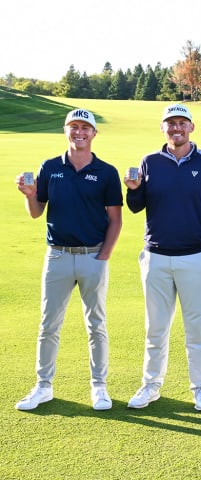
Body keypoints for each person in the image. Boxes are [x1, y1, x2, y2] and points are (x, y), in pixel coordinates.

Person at [14, 109, 123, 411]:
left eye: (85, 128)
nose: (79, 132)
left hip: (93, 256)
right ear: (66, 131)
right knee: (49, 325)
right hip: (58, 256)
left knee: (96, 325)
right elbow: (37, 211)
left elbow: (115, 220)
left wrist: (103, 257)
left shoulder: (106, 172)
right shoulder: (50, 167)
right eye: (74, 127)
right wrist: (29, 194)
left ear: (93, 134)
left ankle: (99, 387)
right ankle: (43, 386)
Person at [125, 103, 201, 411]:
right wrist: (133, 189)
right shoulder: (150, 162)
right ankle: (151, 385)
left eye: (182, 123)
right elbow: (136, 206)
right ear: (163, 128)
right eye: (170, 123)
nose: (176, 128)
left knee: (196, 328)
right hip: (155, 257)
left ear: (191, 127)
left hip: (196, 257)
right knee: (155, 328)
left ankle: (200, 387)